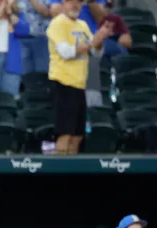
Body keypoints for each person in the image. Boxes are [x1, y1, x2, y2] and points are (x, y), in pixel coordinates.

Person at [46, 0, 111, 154]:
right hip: (63, 83)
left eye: (78, 2)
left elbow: (96, 53)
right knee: (65, 134)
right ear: (64, 3)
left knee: (77, 136)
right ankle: (59, 170)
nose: (75, 5)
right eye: (72, 2)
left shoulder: (83, 25)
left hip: (79, 84)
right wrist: (91, 44)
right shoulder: (57, 23)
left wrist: (99, 40)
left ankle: (71, 172)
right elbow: (65, 52)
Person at [16, 0, 52, 74]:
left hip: (41, 38)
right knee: (23, 76)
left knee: (42, 74)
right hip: (20, 39)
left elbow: (46, 13)